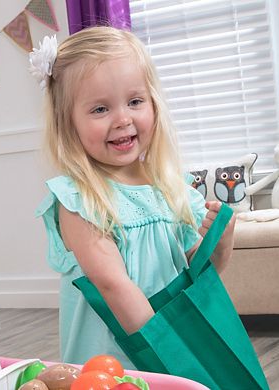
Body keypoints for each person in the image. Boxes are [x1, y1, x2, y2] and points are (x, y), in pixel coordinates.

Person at [32, 26, 236, 369]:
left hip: (173, 351)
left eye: (135, 101)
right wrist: (168, 351)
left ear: (153, 104)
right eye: (100, 109)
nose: (123, 118)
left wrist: (220, 241)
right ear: (69, 124)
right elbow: (113, 285)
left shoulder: (171, 189)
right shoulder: (79, 200)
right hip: (116, 365)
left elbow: (198, 281)